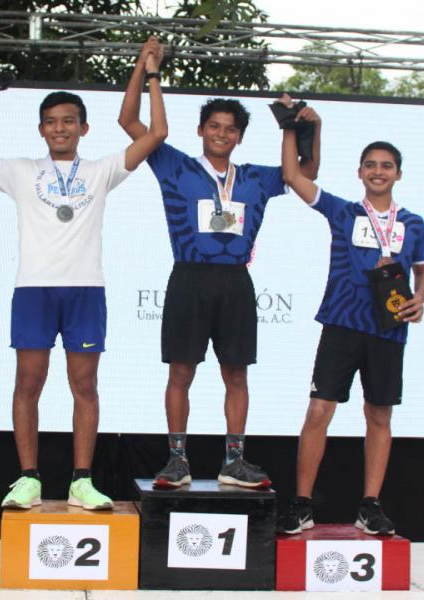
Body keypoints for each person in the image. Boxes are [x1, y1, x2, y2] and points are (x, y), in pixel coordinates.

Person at [0, 36, 167, 511]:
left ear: (83, 127)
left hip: (85, 290)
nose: (59, 128)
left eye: (68, 121)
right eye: (50, 122)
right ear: (41, 130)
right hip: (34, 290)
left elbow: (156, 134)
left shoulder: (103, 169)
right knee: (28, 383)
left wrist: (148, 72)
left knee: (84, 387)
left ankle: (82, 480)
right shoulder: (19, 170)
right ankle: (28, 478)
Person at [118, 68, 320, 491]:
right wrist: (148, 72)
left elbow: (305, 171)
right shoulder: (174, 165)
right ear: (201, 130)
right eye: (214, 127)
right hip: (188, 278)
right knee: (180, 372)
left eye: (230, 129)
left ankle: (234, 461)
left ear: (240, 137)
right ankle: (177, 460)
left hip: (235, 282)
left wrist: (306, 127)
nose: (222, 134)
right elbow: (129, 122)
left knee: (237, 375)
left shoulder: (256, 178)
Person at [276, 108, 424, 534]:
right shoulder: (343, 211)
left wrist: (419, 299)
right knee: (319, 409)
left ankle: (370, 505)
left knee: (379, 416)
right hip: (341, 324)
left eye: (387, 166)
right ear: (360, 172)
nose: (378, 172)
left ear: (398, 174)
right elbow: (292, 175)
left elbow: (423, 273)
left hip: (388, 329)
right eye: (371, 165)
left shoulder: (414, 223)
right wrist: (304, 128)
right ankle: (302, 503)